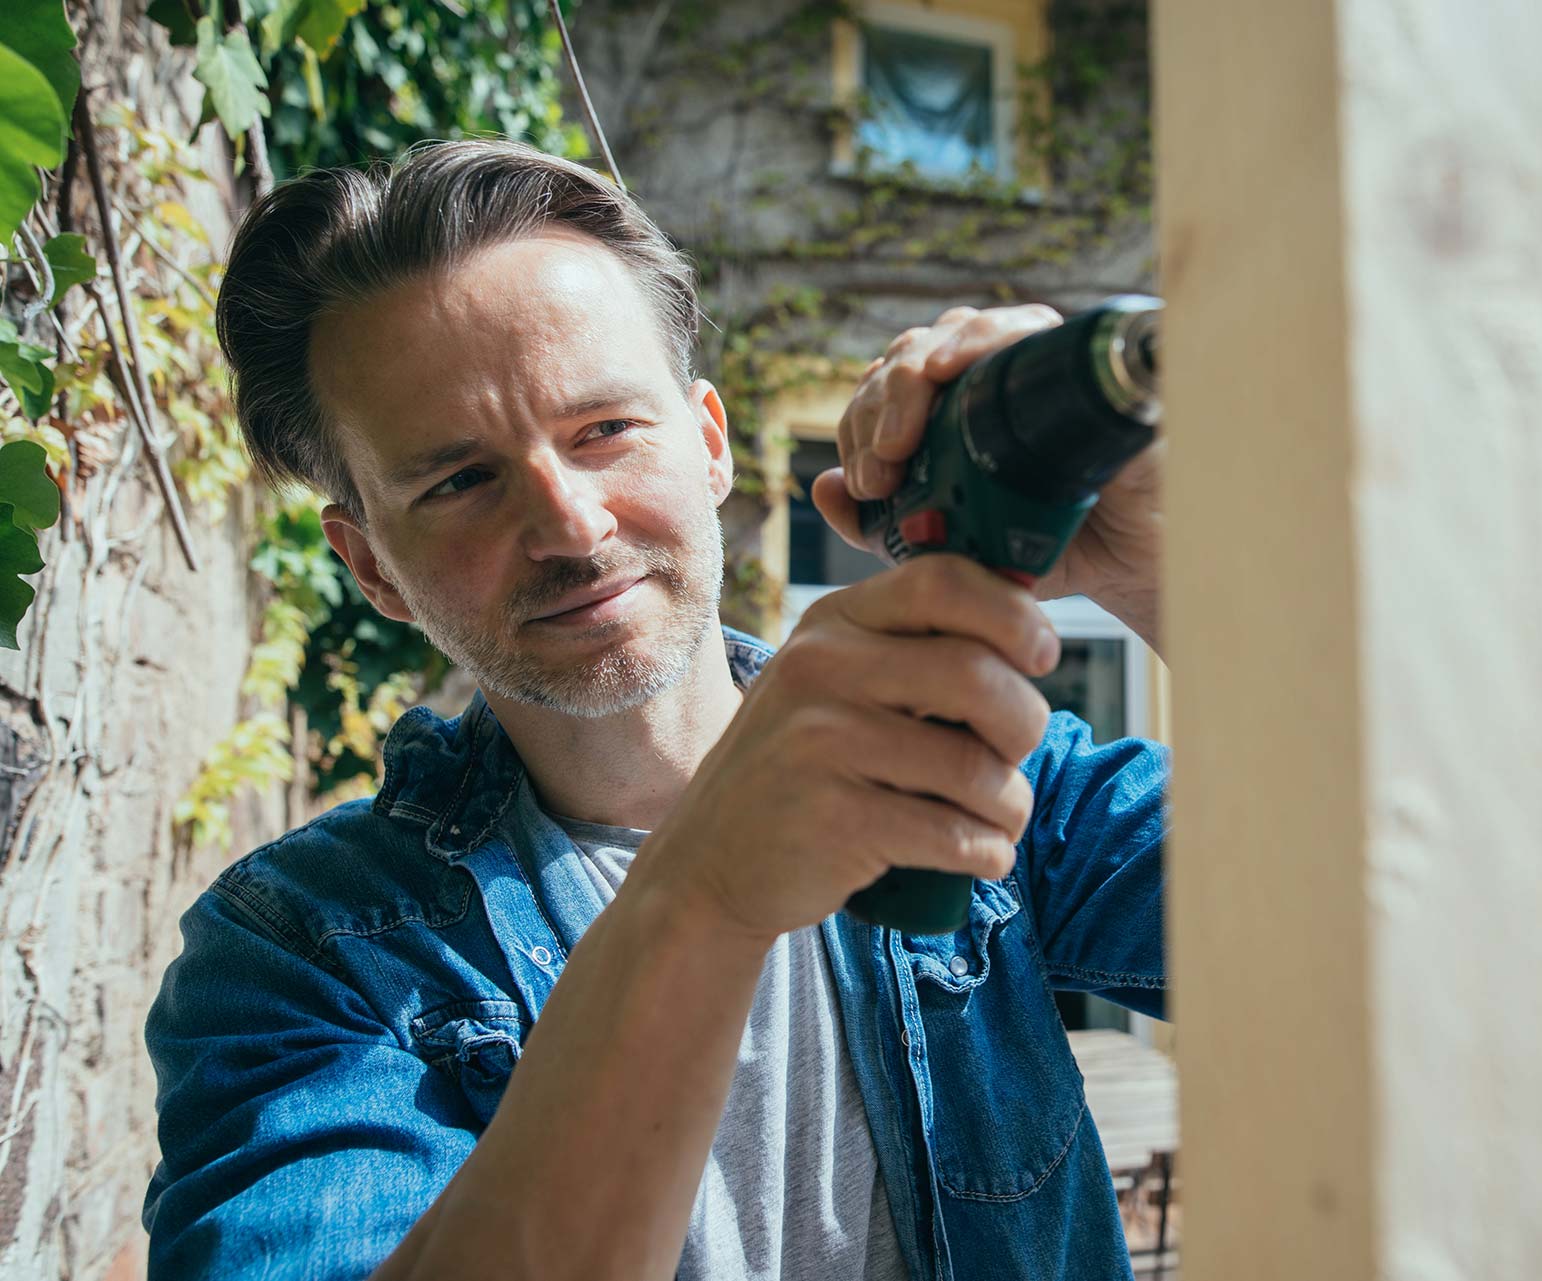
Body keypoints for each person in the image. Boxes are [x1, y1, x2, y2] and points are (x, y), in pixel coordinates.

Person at [142, 139, 1167, 1281]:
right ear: (373, 567)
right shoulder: (304, 953)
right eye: (459, 481)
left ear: (712, 442)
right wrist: (698, 899)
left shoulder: (1002, 785)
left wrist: (1169, 570)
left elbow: (1387, 905)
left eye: (606, 430)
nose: (572, 527)